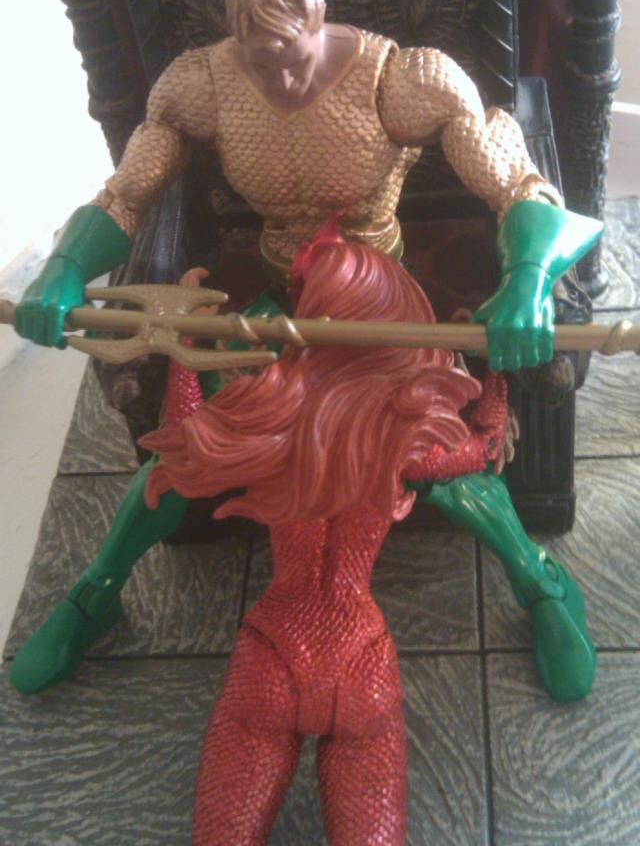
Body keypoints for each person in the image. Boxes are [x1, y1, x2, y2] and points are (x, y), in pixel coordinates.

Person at [10, 0, 600, 700]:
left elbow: (518, 184)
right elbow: (127, 193)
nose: (281, 83)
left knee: (434, 457)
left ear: (319, 24)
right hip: (280, 302)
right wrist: (65, 265)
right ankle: (96, 594)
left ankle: (539, 582)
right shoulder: (203, 85)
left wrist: (529, 279)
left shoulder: (400, 80)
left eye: (292, 60)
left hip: (379, 300)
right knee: (189, 452)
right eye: (261, 64)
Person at [139, 231, 591, 845]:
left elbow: (184, 437)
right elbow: (487, 445)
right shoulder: (404, 442)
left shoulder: (264, 425)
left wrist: (182, 340)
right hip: (360, 659)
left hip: (271, 651)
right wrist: (496, 367)